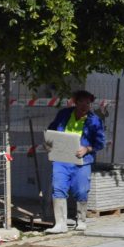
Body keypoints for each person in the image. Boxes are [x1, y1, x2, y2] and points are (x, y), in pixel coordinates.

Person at [47, 90, 106, 233]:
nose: (85, 105)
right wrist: (48, 142)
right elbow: (52, 129)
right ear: (75, 102)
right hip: (61, 159)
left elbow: (100, 143)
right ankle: (60, 224)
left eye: (88, 102)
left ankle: (81, 220)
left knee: (81, 190)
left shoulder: (95, 120)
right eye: (82, 102)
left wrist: (87, 149)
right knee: (58, 187)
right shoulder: (64, 114)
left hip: (82, 161)